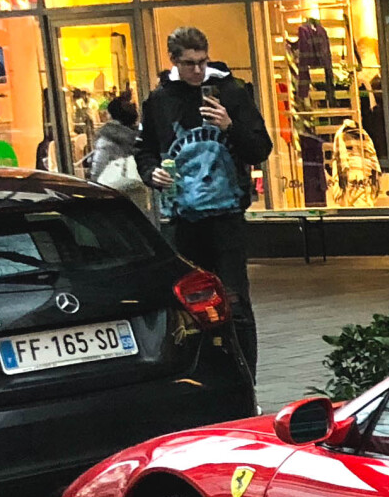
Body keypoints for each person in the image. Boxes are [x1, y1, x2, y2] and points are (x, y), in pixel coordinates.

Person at [140, 27, 272, 376]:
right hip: (181, 219)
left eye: (202, 62)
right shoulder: (159, 101)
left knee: (235, 302)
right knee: (190, 305)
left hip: (226, 217)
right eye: (189, 64)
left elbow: (261, 147)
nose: (197, 71)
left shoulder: (231, 92)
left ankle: (246, 378)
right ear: (174, 62)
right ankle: (204, 375)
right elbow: (145, 150)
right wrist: (152, 172)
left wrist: (230, 125)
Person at [83, 92, 147, 201]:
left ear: (112, 114)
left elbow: (98, 166)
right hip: (138, 188)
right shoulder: (140, 136)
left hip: (114, 191)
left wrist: (94, 187)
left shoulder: (106, 138)